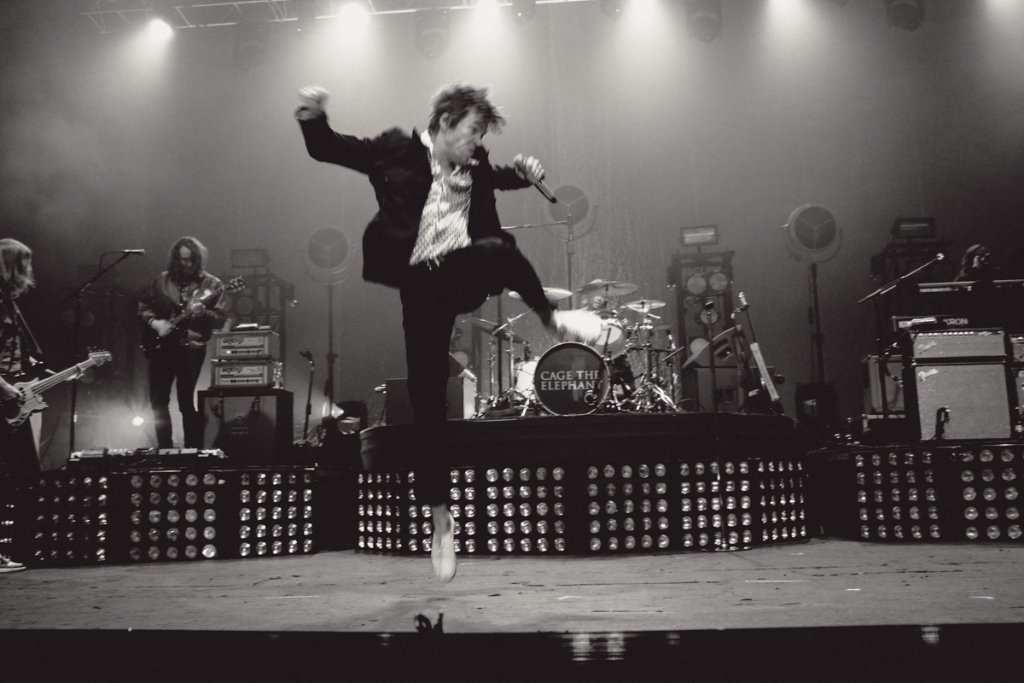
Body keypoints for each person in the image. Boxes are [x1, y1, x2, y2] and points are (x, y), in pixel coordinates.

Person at [296, 83, 591, 582]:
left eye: (481, 136)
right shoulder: (396, 152)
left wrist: (523, 173)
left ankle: (550, 317)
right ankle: (440, 517)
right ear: (445, 123)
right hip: (420, 286)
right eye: (472, 131)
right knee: (427, 400)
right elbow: (329, 149)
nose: (476, 142)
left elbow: (499, 176)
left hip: (463, 271)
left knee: (498, 248)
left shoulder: (475, 166)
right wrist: (312, 116)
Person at [138, 237, 227, 450]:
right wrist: (156, 323)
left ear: (198, 260)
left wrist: (203, 313)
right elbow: (143, 307)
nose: (187, 264)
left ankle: (191, 450)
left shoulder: (212, 284)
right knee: (158, 401)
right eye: (183, 260)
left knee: (186, 401)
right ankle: (165, 448)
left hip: (190, 348)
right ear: (175, 260)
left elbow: (220, 319)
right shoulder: (161, 281)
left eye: (191, 260)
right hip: (161, 348)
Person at [0, 238, 40, 573]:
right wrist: (6, 389)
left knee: (27, 473)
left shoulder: (9, 305)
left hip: (13, 401)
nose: (28, 272)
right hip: (5, 397)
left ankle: (23, 550)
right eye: (24, 264)